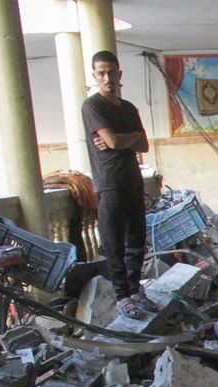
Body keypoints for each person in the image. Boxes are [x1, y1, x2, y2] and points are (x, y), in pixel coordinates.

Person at [82, 50, 154, 320]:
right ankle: (123, 296)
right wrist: (129, 138)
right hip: (109, 182)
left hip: (133, 179)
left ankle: (136, 291)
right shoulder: (92, 106)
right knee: (114, 243)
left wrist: (125, 138)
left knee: (136, 239)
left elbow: (143, 145)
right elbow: (112, 143)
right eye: (101, 72)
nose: (107, 77)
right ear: (95, 76)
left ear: (119, 74)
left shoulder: (128, 109)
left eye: (111, 71)